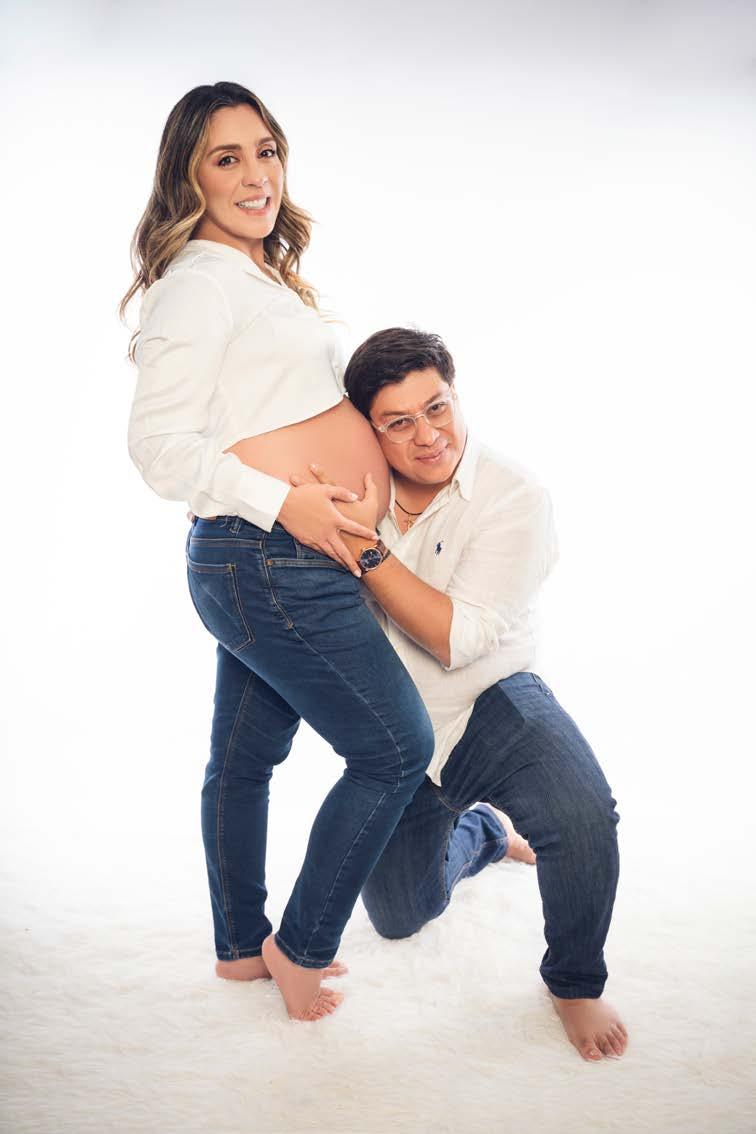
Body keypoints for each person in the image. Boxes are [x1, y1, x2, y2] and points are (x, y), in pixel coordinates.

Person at [121, 83, 435, 1022]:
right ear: (188, 177)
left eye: (266, 150)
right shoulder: (198, 284)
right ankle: (301, 947)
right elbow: (158, 449)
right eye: (227, 158)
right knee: (396, 747)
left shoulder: (252, 276)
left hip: (266, 561)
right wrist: (286, 503)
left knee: (245, 758)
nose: (257, 174)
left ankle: (237, 949)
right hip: (266, 556)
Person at [290, 327, 628, 1061]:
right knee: (399, 917)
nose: (427, 435)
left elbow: (458, 639)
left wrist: (367, 547)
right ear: (368, 428)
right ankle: (482, 834)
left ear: (455, 393)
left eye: (437, 407)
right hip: (395, 735)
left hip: (490, 700)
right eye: (398, 422)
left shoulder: (516, 495)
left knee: (582, 816)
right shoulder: (345, 485)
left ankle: (574, 983)